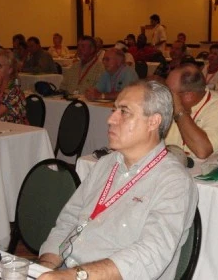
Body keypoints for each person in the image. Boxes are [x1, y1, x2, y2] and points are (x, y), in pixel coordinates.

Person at [38, 80, 198, 280]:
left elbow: (151, 253)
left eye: (124, 112)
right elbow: (69, 220)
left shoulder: (173, 181)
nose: (111, 119)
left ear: (153, 122)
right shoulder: (106, 164)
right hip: (70, 271)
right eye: (114, 110)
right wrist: (45, 267)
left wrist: (76, 275)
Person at [165, 64, 218, 161]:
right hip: (174, 169)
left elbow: (202, 151)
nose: (165, 95)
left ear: (188, 95)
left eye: (169, 91)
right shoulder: (166, 105)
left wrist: (179, 111)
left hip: (212, 173)